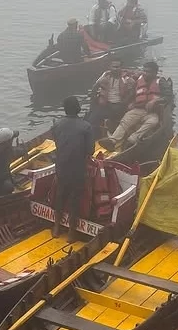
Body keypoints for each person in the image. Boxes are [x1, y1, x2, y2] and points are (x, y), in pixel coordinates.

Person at [52, 96, 95, 240]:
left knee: (60, 195)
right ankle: (71, 232)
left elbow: (58, 144)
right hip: (77, 168)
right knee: (74, 199)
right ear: (78, 109)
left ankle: (56, 227)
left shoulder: (57, 125)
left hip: (61, 166)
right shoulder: (86, 126)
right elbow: (90, 151)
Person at [107, 60, 165, 149]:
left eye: (148, 72)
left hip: (152, 112)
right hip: (138, 109)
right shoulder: (138, 80)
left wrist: (155, 101)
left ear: (155, 73)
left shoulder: (161, 82)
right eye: (144, 71)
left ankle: (132, 139)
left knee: (153, 122)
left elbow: (167, 97)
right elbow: (133, 94)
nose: (145, 73)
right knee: (126, 120)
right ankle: (113, 140)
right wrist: (130, 103)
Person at [89, 60, 133, 135]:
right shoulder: (105, 76)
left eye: (118, 67)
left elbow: (132, 92)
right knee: (92, 118)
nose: (115, 69)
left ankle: (111, 129)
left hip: (119, 105)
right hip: (106, 104)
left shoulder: (127, 79)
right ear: (110, 67)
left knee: (114, 114)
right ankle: (93, 135)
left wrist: (125, 102)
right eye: (113, 67)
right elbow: (94, 89)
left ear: (121, 68)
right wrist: (93, 104)